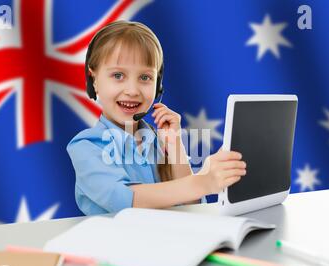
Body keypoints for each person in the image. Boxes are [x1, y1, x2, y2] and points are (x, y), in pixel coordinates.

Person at [67, 20, 246, 215]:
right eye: (118, 75)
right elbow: (126, 200)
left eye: (145, 78)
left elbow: (192, 203)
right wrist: (202, 182)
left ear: (158, 84)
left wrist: (174, 144)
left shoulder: (157, 140)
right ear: (94, 80)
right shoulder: (86, 146)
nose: (132, 91)